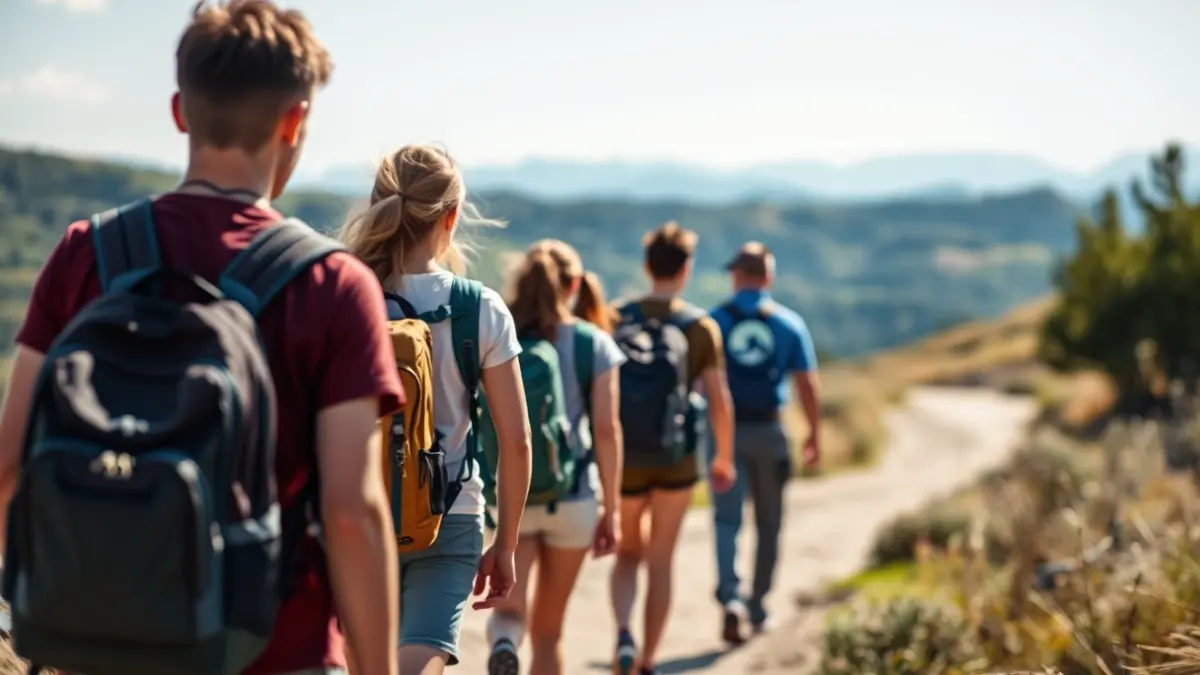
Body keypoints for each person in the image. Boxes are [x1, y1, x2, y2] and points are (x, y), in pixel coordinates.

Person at [0, 2, 404, 675]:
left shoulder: (84, 254)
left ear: (180, 110)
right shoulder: (335, 284)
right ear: (295, 120)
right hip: (276, 649)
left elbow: (10, 463)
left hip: (103, 650)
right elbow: (351, 513)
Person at [338, 143, 532, 675]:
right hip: (447, 514)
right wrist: (506, 544)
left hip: (351, 507)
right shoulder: (479, 307)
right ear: (450, 219)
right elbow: (514, 441)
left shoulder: (340, 295)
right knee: (419, 654)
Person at [484, 240, 627, 675]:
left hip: (513, 496)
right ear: (575, 286)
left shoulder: (499, 334)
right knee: (550, 632)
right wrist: (613, 510)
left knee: (509, 611)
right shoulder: (594, 343)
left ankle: (504, 642)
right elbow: (606, 430)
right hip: (575, 496)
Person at [609, 222, 736, 675]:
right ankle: (646, 660)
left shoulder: (616, 316)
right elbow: (719, 398)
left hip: (624, 459)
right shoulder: (701, 326)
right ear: (686, 269)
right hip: (677, 457)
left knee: (628, 553)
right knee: (661, 558)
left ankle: (623, 632)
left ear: (647, 266)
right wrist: (723, 457)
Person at [709, 241, 821, 643]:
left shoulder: (714, 321)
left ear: (736, 276)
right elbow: (806, 383)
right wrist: (814, 433)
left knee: (726, 520)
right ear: (769, 278)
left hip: (725, 434)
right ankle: (757, 606)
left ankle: (730, 600)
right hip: (772, 432)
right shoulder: (789, 324)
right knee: (769, 523)